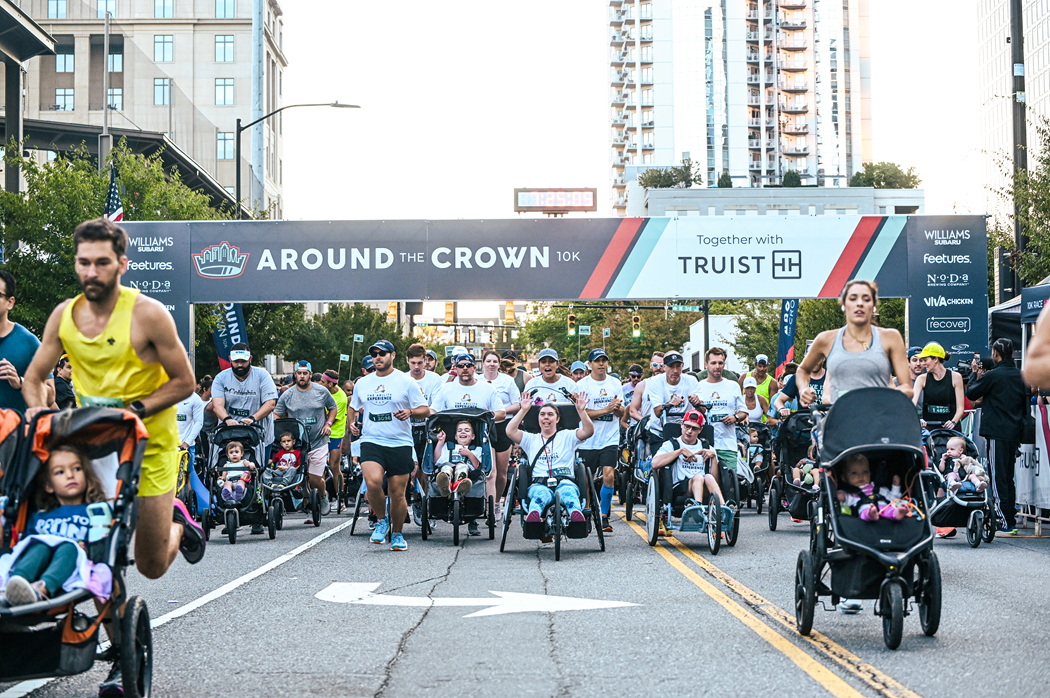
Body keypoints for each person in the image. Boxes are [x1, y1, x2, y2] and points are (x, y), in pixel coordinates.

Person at [19, 218, 200, 697]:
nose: (91, 272)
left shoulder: (148, 314)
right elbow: (34, 378)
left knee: (151, 565)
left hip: (151, 446)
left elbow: (185, 382)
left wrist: (133, 411)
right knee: (100, 551)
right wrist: (39, 415)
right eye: (84, 262)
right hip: (94, 450)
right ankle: (120, 653)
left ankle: (179, 526)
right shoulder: (63, 316)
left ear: (121, 264)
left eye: (102, 262)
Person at [0, 445, 108, 606]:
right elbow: (25, 544)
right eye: (60, 472)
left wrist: (88, 550)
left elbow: (101, 545)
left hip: (71, 562)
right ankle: (15, 584)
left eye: (77, 469)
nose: (70, 475)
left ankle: (41, 590)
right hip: (38, 563)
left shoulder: (95, 511)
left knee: (69, 548)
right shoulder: (39, 516)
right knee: (39, 546)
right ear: (49, 486)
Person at [348, 340, 429, 551]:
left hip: (399, 442)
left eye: (382, 353)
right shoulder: (363, 383)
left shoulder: (406, 381)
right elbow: (353, 406)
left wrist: (410, 412)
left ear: (392, 355)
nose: (378, 357)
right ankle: (382, 520)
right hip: (371, 440)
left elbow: (425, 409)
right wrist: (351, 423)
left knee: (397, 493)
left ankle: (397, 534)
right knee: (373, 482)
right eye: (374, 354)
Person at [796, 279, 912, 406]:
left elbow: (907, 387)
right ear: (843, 304)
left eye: (866, 299)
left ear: (873, 306)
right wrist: (803, 390)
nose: (860, 303)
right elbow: (803, 370)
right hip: (841, 416)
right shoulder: (826, 339)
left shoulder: (891, 337)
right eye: (853, 298)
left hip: (880, 415)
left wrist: (886, 397)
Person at [432, 352, 505, 535]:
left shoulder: (486, 389)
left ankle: (486, 511)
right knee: (442, 466)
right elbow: (434, 409)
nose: (465, 369)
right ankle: (445, 490)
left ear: (474, 367)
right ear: (455, 369)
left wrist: (486, 417)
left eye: (468, 365)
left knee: (489, 474)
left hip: (479, 437)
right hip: (452, 437)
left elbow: (501, 412)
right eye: (461, 366)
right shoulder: (446, 389)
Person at [966, 337, 1028, 535]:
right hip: (1015, 431)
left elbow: (972, 393)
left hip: (997, 431)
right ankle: (1010, 517)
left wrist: (974, 374)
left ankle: (1004, 521)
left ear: (995, 353)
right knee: (1008, 477)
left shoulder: (993, 375)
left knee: (998, 476)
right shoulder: (1020, 375)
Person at [505, 392, 594, 529]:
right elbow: (510, 431)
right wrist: (523, 410)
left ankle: (575, 514)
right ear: (538, 419)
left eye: (550, 414)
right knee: (539, 496)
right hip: (539, 483)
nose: (546, 417)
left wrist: (581, 411)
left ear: (557, 419)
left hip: (564, 481)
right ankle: (534, 515)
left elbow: (588, 431)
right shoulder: (530, 439)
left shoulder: (567, 436)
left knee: (569, 495)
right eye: (542, 414)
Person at [274, 360, 337, 518]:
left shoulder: (321, 391)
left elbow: (333, 408)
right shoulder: (287, 394)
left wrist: (328, 424)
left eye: (305, 373)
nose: (302, 376)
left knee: (315, 479)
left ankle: (322, 495)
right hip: (298, 444)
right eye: (299, 373)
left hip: (318, 440)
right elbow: (277, 414)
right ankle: (308, 501)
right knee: (299, 478)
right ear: (295, 374)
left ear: (310, 374)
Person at [651, 410, 724, 532]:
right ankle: (698, 510)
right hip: (681, 487)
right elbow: (654, 463)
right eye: (687, 426)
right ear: (681, 425)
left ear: (700, 430)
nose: (689, 431)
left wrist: (714, 458)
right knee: (698, 477)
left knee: (708, 477)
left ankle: (723, 509)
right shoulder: (671, 444)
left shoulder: (707, 447)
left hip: (704, 486)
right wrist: (679, 451)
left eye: (694, 428)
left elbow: (715, 480)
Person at [577, 348, 625, 533]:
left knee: (609, 474)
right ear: (590, 364)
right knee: (586, 479)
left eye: (604, 360)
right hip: (588, 439)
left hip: (609, 438)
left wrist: (616, 408)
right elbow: (583, 413)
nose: (601, 364)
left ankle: (604, 516)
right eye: (597, 361)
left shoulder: (614, 383)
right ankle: (587, 513)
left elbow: (622, 413)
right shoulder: (582, 385)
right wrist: (606, 410)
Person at [693, 348, 746, 484]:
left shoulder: (733, 386)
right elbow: (695, 414)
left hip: (727, 444)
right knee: (707, 481)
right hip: (704, 443)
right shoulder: (698, 387)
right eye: (713, 363)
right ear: (706, 365)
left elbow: (743, 412)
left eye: (720, 363)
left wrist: (735, 418)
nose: (717, 366)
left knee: (729, 482)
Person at [480, 349, 521, 521]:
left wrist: (499, 411)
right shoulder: (477, 380)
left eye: (494, 361)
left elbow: (517, 404)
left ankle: (497, 502)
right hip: (484, 427)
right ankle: (486, 505)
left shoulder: (507, 381)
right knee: (489, 471)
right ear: (483, 363)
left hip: (503, 426)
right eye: (488, 361)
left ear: (499, 364)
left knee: (502, 473)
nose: (491, 364)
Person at [406, 344, 445, 512]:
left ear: (425, 361)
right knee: (410, 468)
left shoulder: (434, 379)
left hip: (428, 428)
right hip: (407, 429)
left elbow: (435, 407)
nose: (416, 367)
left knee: (424, 469)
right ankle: (411, 496)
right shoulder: (402, 378)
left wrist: (413, 411)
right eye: (413, 363)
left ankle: (422, 502)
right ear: (407, 361)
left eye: (420, 363)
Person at [0, 271, 42, 412]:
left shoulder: (28, 341)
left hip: (14, 425)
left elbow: (50, 395)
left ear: (10, 302)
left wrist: (20, 382)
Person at [834, 454, 913, 521]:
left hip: (883, 507)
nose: (860, 476)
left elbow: (893, 499)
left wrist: (896, 487)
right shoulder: (848, 493)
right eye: (854, 473)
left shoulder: (878, 488)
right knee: (864, 513)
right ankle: (871, 515)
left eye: (865, 472)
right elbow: (841, 502)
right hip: (865, 509)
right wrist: (839, 496)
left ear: (870, 474)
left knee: (890, 509)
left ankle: (897, 513)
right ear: (844, 478)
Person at [911, 342, 965, 430]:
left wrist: (953, 422)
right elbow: (912, 403)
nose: (923, 364)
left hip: (951, 429)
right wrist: (918, 418)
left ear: (935, 359)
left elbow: (960, 408)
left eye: (925, 360)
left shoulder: (956, 377)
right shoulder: (921, 379)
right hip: (930, 429)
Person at [319, 369, 349, 500]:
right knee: (319, 466)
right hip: (321, 433)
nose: (320, 384)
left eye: (323, 382)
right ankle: (321, 497)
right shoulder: (322, 392)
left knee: (334, 466)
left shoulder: (341, 398)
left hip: (335, 434)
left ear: (330, 384)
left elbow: (331, 418)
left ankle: (340, 497)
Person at [433, 420, 482, 497]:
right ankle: (445, 485)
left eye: (467, 430)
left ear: (473, 436)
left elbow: (477, 466)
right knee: (446, 468)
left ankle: (460, 484)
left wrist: (469, 454)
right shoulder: (447, 446)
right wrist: (440, 441)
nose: (463, 432)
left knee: (461, 466)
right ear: (456, 436)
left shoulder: (476, 450)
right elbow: (436, 461)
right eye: (460, 430)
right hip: (448, 468)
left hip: (468, 473)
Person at [176, 388, 205, 468]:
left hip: (187, 446)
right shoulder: (165, 396)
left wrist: (187, 443)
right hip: (167, 445)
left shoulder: (195, 398)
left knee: (188, 473)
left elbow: (199, 423)